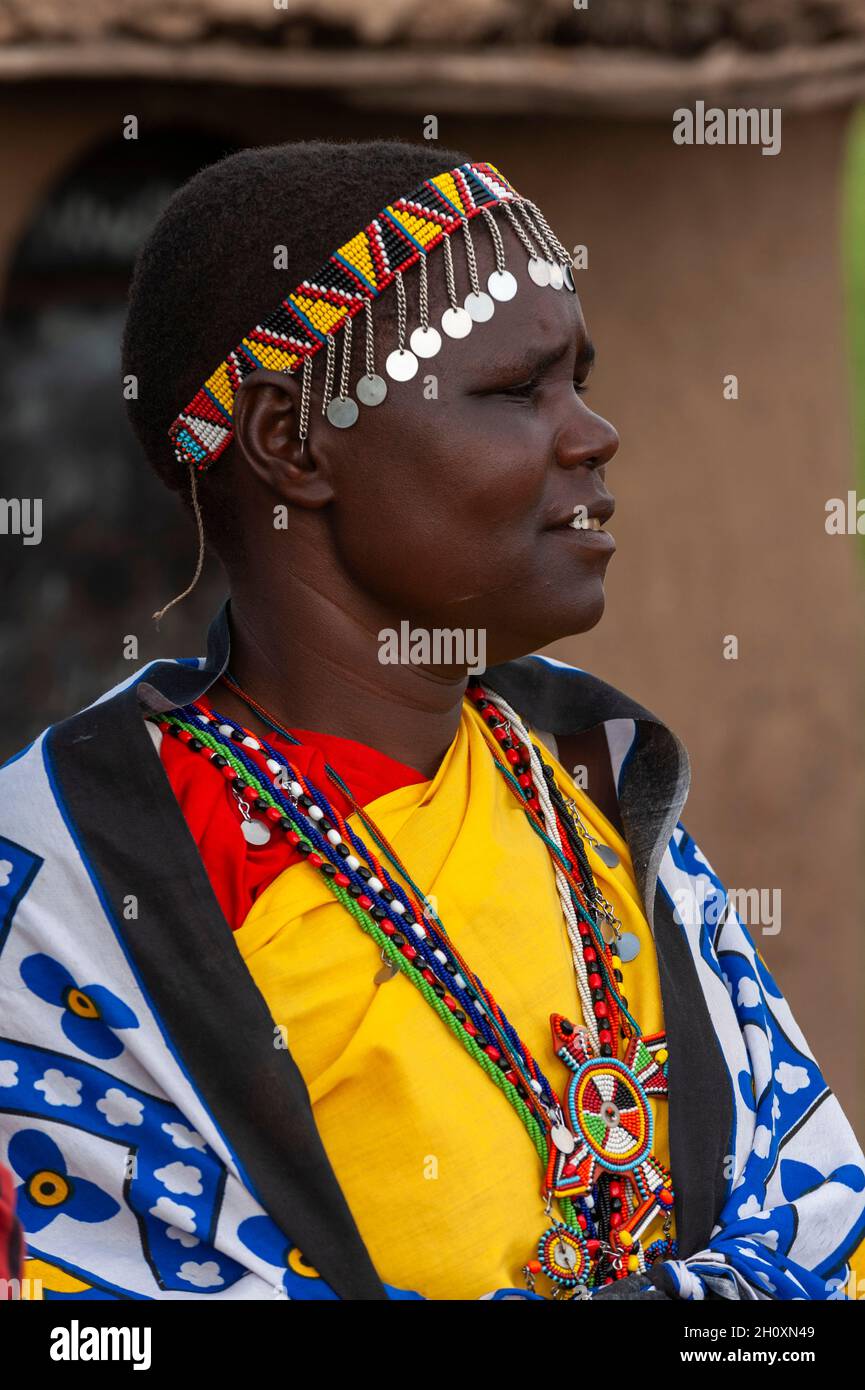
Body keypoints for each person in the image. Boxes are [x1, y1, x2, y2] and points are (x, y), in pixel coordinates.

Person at [1, 139, 863, 1302]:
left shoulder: (596, 800)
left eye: (581, 381)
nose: (592, 435)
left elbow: (820, 1225)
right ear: (289, 443)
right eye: (517, 390)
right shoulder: (78, 889)